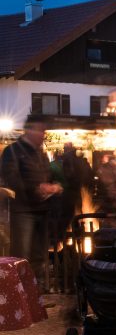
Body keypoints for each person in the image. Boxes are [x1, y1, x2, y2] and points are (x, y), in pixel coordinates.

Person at [0, 114, 61, 284]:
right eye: (41, 130)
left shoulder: (40, 153)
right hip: (23, 211)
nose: (44, 134)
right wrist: (36, 189)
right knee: (21, 256)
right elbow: (11, 178)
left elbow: (47, 175)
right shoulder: (12, 150)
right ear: (29, 130)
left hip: (42, 210)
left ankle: (35, 297)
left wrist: (52, 186)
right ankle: (19, 299)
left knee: (39, 256)